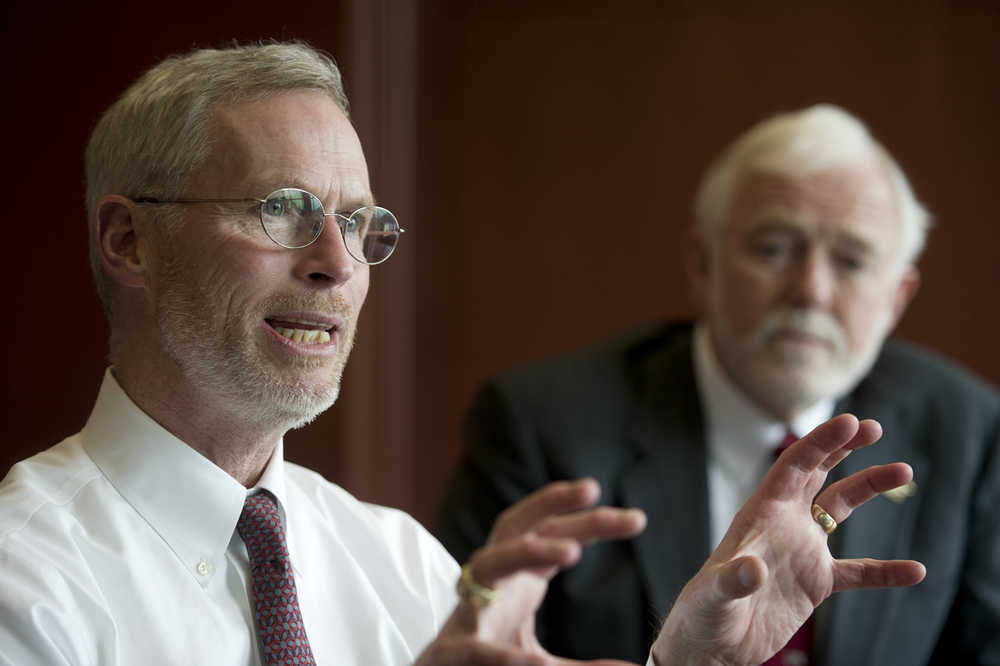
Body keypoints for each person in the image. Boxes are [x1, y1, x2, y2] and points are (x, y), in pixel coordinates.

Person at [0, 44, 924, 666]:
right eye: (281, 209)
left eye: (360, 223)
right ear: (128, 241)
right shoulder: (25, 576)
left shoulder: (404, 561)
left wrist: (683, 663)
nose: (337, 263)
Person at [436, 105, 1000, 665]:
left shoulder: (970, 433)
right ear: (702, 263)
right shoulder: (541, 425)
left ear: (897, 297)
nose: (811, 290)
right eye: (774, 249)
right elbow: (468, 643)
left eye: (851, 261)